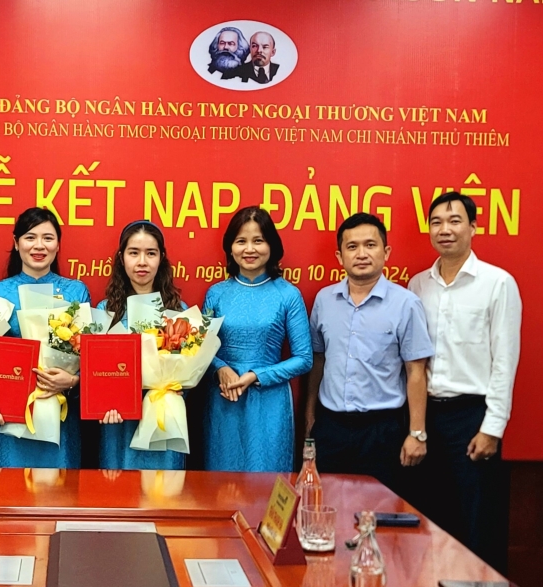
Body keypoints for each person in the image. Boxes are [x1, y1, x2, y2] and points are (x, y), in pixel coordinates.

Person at [409, 192, 520, 573]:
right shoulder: (418, 285)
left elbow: (505, 361)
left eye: (455, 220)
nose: (445, 229)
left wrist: (492, 428)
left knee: (477, 523)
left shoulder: (497, 283)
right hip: (427, 416)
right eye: (437, 222)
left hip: (472, 417)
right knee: (432, 518)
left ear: (473, 227)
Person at [306, 213, 433, 495]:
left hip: (382, 431)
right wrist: (310, 416)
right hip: (331, 428)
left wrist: (417, 433)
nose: (361, 254)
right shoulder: (324, 300)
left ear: (386, 252)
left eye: (370, 245)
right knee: (327, 507)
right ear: (339, 256)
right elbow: (318, 361)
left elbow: (416, 371)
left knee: (378, 511)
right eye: (352, 247)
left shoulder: (406, 304)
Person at [202, 207, 312, 472]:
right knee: (221, 481)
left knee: (266, 480)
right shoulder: (216, 293)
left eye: (258, 241)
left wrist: (257, 375)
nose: (249, 249)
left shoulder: (288, 295)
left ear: (271, 246)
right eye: (241, 241)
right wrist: (220, 368)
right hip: (225, 397)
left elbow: (304, 358)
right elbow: (199, 348)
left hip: (269, 401)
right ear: (230, 248)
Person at [0, 207, 91, 468]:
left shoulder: (76, 291)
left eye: (48, 238)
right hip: (9, 413)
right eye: (30, 237)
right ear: (16, 243)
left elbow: (90, 355)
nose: (39, 246)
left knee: (59, 488)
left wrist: (72, 381)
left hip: (60, 409)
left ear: (58, 244)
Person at [97, 220, 186, 470]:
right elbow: (95, 371)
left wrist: (179, 388)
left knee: (164, 490)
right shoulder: (105, 311)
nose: (142, 262)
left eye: (151, 253)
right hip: (118, 420)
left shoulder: (178, 311)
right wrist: (103, 401)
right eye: (134, 253)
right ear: (121, 258)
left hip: (163, 418)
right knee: (117, 487)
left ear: (162, 258)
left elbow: (190, 367)